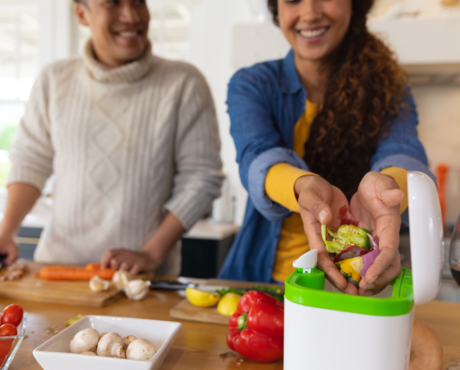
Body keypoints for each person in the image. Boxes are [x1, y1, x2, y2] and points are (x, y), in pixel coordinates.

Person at [218, 0, 434, 295]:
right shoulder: (252, 84)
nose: (309, 13)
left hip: (354, 285)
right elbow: (257, 157)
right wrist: (302, 186)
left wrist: (388, 188)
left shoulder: (389, 87)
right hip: (264, 284)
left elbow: (404, 152)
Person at [0, 0, 223, 276]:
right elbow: (32, 160)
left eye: (138, 2)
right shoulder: (54, 80)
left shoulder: (184, 83)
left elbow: (201, 179)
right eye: (113, 3)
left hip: (139, 281)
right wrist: (6, 231)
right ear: (82, 14)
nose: (130, 16)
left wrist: (150, 254)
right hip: (56, 272)